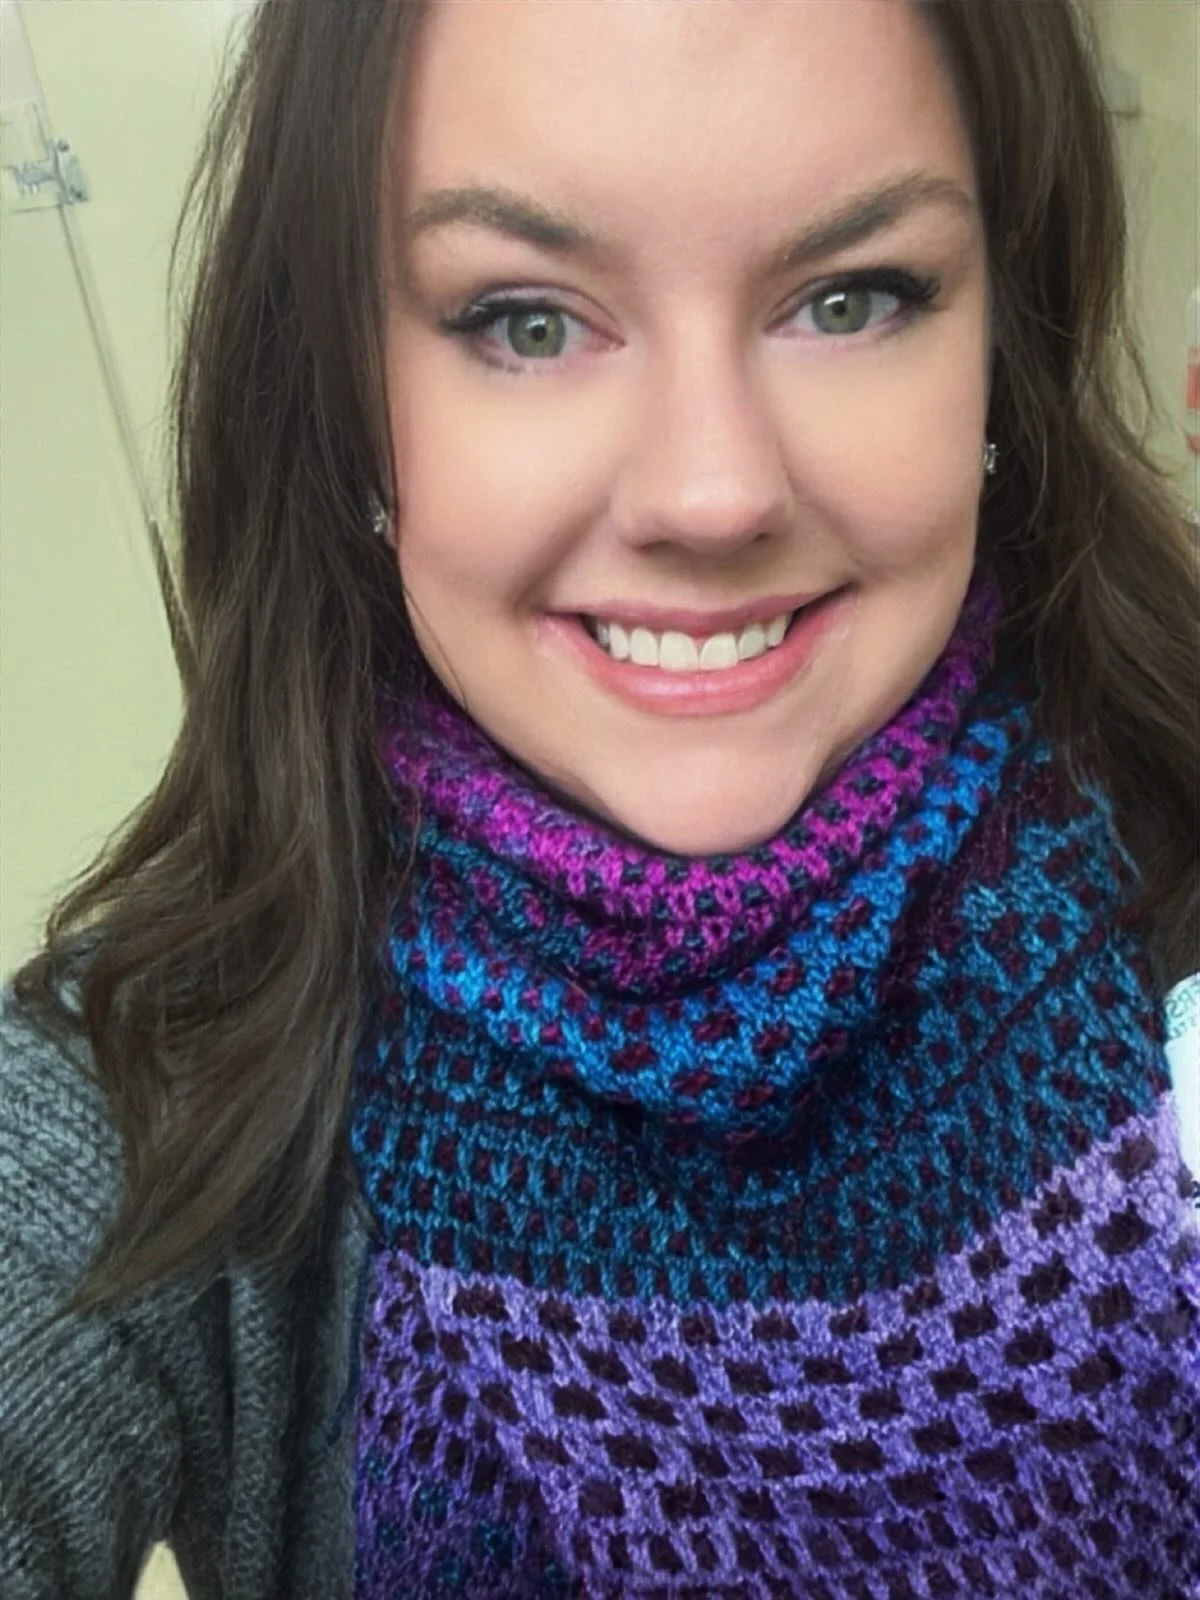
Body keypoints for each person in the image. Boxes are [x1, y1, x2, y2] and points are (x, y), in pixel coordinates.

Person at [2, 0, 1197, 1595]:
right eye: (527, 322)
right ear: (346, 393)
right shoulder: (168, 1073)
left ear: (1001, 348)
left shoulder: (1166, 874)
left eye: (850, 298)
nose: (713, 493)